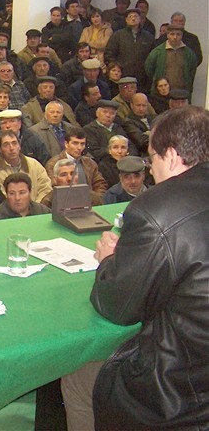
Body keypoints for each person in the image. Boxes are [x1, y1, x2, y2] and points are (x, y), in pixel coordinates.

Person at [64, 107, 209, 431]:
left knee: (79, 376)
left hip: (178, 393)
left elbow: (117, 306)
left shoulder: (156, 209)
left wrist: (108, 261)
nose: (150, 170)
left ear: (171, 156)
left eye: (152, 159)